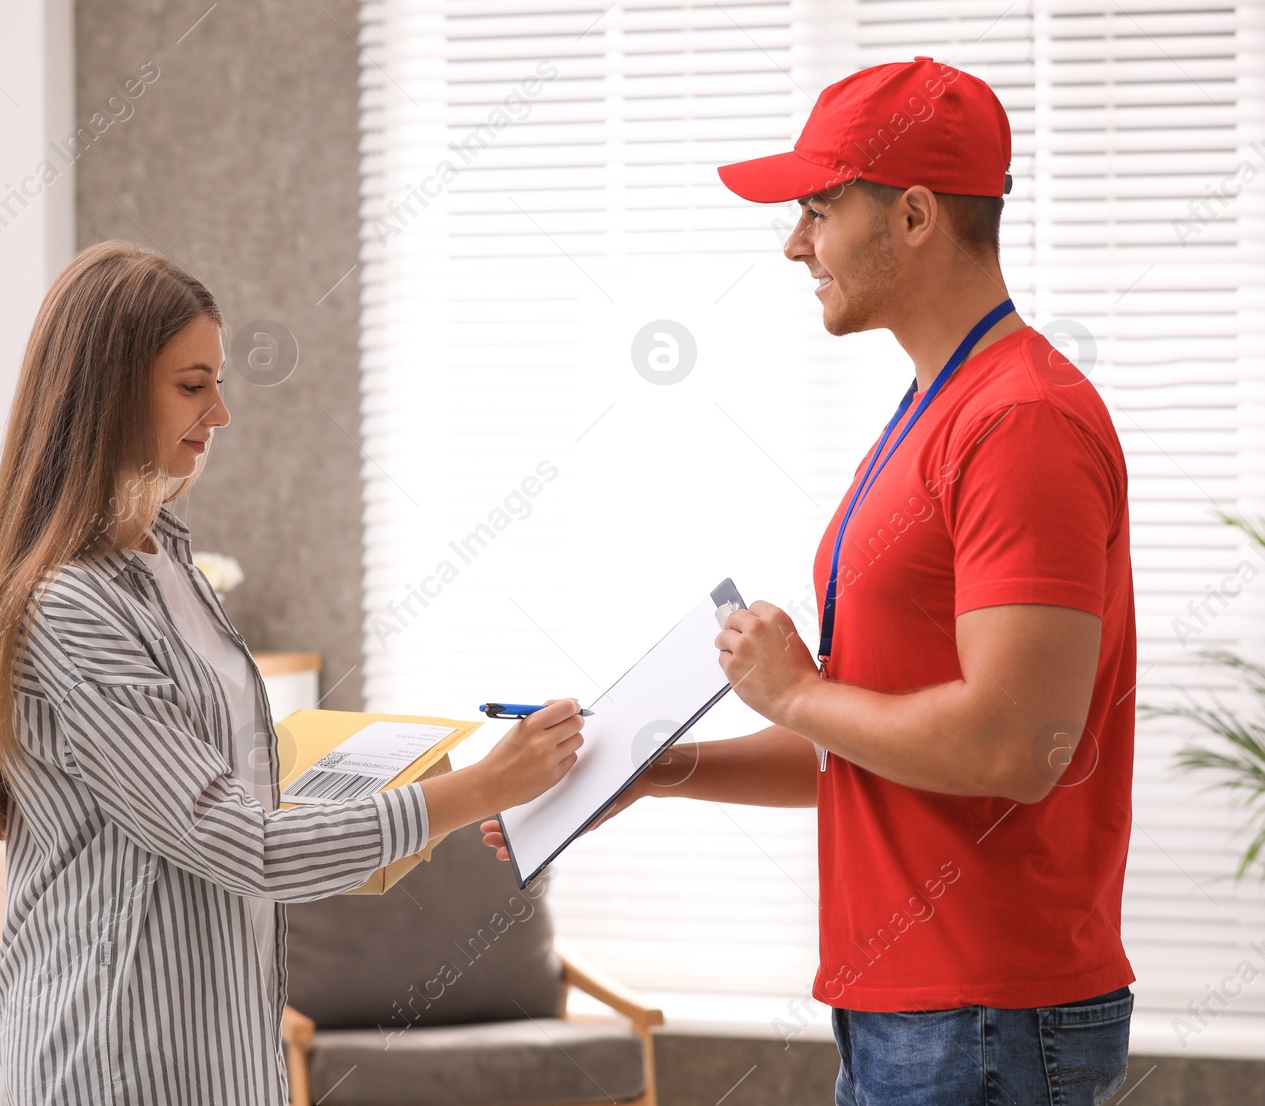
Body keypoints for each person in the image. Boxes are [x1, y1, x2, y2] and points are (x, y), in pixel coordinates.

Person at [482, 57, 1136, 1105]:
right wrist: (649, 764)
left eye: (818, 209)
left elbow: (1016, 747)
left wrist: (792, 689)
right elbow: (869, 736)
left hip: (984, 1015)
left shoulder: (1018, 421)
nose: (794, 243)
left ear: (914, 214)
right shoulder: (937, 409)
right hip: (917, 1012)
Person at [0, 241, 586, 1105]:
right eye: (192, 383)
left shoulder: (168, 563)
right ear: (106, 392)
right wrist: (476, 789)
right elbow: (241, 842)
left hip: (224, 1047)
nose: (221, 412)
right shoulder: (68, 608)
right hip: (116, 1060)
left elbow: (235, 801)